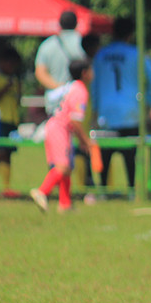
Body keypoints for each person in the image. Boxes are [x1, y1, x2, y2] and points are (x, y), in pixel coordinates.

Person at [90, 16, 151, 193]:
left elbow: (93, 85)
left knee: (105, 154)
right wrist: (148, 101)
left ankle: (103, 191)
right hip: (130, 111)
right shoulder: (135, 54)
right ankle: (131, 191)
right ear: (131, 34)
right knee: (130, 155)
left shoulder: (101, 55)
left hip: (106, 112)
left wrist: (95, 110)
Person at [30, 59, 100, 213]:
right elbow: (75, 120)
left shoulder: (69, 87)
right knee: (62, 167)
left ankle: (65, 203)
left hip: (56, 126)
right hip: (60, 128)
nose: (93, 73)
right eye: (91, 69)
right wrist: (85, 141)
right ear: (84, 73)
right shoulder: (80, 90)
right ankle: (42, 191)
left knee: (67, 167)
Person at [0, 46, 23, 198]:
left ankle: (7, 187)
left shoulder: (13, 79)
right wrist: (5, 87)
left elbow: (17, 100)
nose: (12, 68)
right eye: (10, 64)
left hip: (12, 120)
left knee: (8, 154)